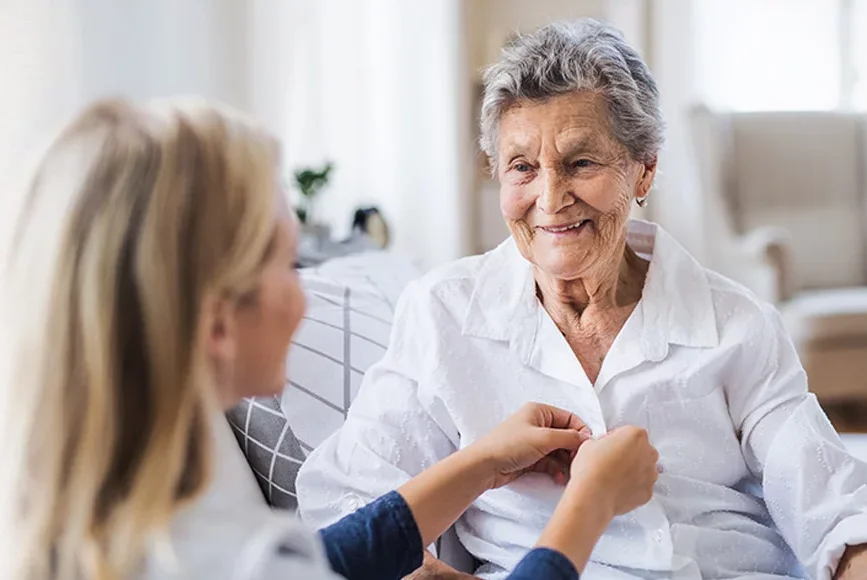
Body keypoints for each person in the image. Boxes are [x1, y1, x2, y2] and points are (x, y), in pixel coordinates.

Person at [296, 19, 867, 580]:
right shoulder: (443, 314)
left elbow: (836, 512)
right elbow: (347, 505)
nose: (550, 198)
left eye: (580, 163)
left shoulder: (737, 323)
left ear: (643, 171)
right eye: (522, 167)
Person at [0, 97, 662, 580]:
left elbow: (325, 565)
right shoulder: (218, 557)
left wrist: (476, 465)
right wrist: (590, 502)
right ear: (217, 322)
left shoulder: (121, 526)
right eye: (289, 264)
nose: (306, 295)